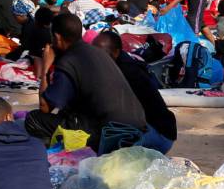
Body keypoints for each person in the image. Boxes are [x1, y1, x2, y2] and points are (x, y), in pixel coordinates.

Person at [26, 12, 147, 152]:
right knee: (66, 113)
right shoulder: (97, 52)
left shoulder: (69, 61)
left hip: (108, 132)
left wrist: (46, 67)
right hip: (136, 127)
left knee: (34, 119)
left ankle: (53, 158)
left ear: (58, 37)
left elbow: (45, 107)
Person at [93, 31, 177, 154]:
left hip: (159, 135)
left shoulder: (128, 73)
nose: (96, 58)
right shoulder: (115, 64)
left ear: (116, 52)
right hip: (151, 128)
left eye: (101, 55)